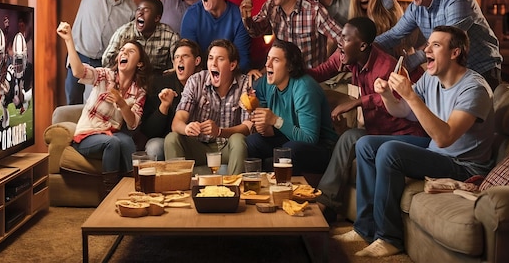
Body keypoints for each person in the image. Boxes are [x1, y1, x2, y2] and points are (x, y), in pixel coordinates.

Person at [336, 25, 495, 257]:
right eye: (428, 43)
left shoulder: (474, 89)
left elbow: (444, 138)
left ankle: (389, 238)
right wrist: (387, 95)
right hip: (438, 153)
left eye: (436, 45)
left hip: (463, 165)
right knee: (366, 145)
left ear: (455, 53)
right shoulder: (432, 79)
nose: (426, 49)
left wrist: (410, 94)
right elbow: (402, 111)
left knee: (390, 152)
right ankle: (365, 228)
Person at [306, 17, 426, 221]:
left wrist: (358, 102)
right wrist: (291, 67)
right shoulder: (347, 56)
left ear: (362, 45)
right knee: (346, 139)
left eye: (345, 39)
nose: (339, 43)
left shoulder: (385, 66)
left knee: (356, 140)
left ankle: (333, 209)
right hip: (376, 132)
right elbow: (320, 72)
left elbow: (394, 99)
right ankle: (326, 204)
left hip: (401, 135)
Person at [374, 0, 502, 90]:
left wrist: (412, 60)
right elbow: (394, 35)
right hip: (451, 72)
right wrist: (367, 46)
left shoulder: (457, 1)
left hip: (481, 70)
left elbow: (447, 42)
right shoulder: (416, 7)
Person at [57, 21, 151, 192]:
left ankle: (136, 188)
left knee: (127, 141)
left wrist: (122, 103)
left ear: (139, 63)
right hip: (88, 135)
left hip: (111, 132)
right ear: (117, 58)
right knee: (113, 143)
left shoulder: (139, 91)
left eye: (131, 51)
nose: (124, 52)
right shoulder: (105, 75)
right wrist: (69, 40)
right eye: (122, 50)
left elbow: (133, 124)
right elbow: (78, 71)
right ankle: (109, 194)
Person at [245, 40, 337, 176]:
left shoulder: (304, 88)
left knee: (290, 150)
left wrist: (275, 120)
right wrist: (253, 109)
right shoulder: (266, 82)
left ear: (289, 67)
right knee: (253, 142)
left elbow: (309, 138)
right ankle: (258, 189)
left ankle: (286, 193)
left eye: (275, 60)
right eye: (268, 59)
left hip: (320, 146)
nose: (267, 64)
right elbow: (260, 113)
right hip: (287, 138)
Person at [163, 39, 253, 175]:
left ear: (232, 65)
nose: (213, 63)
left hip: (227, 148)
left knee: (238, 139)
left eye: (220, 59)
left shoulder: (244, 83)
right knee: (172, 138)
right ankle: (178, 189)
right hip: (198, 146)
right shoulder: (196, 80)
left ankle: (235, 189)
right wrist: (187, 128)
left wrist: (219, 131)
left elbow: (247, 127)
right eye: (211, 58)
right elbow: (177, 122)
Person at [241, 0, 343, 69]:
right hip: (282, 75)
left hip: (309, 77)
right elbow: (256, 31)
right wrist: (247, 18)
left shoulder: (314, 10)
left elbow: (342, 38)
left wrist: (331, 66)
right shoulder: (271, 5)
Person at [141, 39, 203, 160]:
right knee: (154, 147)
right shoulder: (161, 83)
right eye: (176, 57)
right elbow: (149, 131)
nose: (180, 60)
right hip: (169, 139)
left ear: (197, 61)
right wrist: (164, 106)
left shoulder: (206, 82)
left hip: (200, 141)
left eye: (185, 56)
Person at [180, 0, 251, 71]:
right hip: (199, 75)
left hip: (230, 74)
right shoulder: (192, 15)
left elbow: (242, 58)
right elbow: (188, 55)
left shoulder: (238, 16)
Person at [101, 0, 180, 74]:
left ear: (156, 18)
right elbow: (106, 60)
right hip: (129, 77)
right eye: (138, 9)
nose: (140, 13)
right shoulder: (124, 32)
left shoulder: (170, 36)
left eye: (146, 10)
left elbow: (177, 65)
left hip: (158, 80)